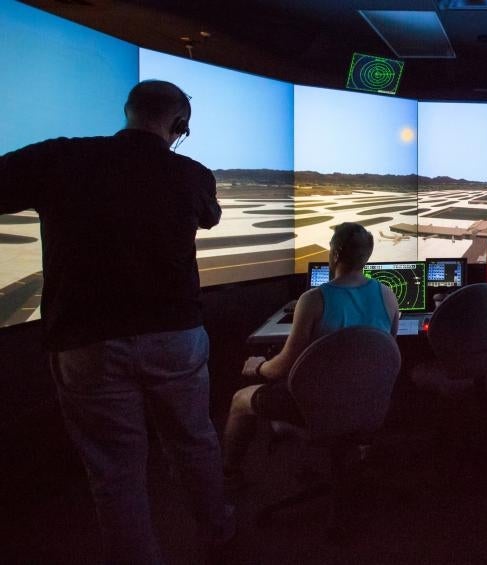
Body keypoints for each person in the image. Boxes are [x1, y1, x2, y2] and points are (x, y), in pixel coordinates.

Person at [0, 80, 230, 562]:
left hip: (87, 340)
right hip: (175, 333)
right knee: (194, 442)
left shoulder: (60, 158)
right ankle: (219, 533)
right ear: (180, 124)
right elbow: (209, 218)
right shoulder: (190, 173)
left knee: (115, 472)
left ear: (128, 111)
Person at [222, 222, 399, 485]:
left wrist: (259, 366)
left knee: (239, 400)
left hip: (315, 406)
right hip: (368, 402)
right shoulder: (387, 294)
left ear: (335, 254)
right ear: (367, 256)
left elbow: (283, 367)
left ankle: (229, 478)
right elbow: (385, 352)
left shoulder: (313, 299)